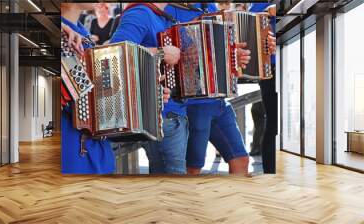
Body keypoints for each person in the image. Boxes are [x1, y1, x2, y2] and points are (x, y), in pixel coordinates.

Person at [165, 3, 252, 175]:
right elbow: (170, 52)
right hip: (193, 104)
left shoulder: (210, 6)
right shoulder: (169, 9)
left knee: (241, 159)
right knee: (193, 168)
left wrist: (235, 56)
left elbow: (222, 47)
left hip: (219, 102)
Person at [110, 3, 187, 174]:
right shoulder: (139, 13)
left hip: (173, 114)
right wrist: (160, 52)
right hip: (160, 117)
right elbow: (114, 53)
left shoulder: (161, 15)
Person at [61, 3, 115, 174]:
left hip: (97, 153)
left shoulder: (82, 34)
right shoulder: (63, 37)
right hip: (76, 155)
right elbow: (81, 96)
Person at [249, 3, 277, 173]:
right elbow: (249, 19)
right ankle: (270, 174)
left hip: (292, 61)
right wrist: (268, 11)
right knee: (273, 124)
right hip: (270, 69)